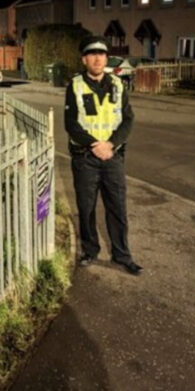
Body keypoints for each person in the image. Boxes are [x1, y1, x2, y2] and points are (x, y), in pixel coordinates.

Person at [66, 36, 142, 275]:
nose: (97, 58)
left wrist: (110, 144)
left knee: (117, 208)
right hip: (85, 158)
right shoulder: (75, 85)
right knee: (86, 207)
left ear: (106, 59)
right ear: (84, 59)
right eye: (92, 54)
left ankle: (122, 255)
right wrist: (93, 145)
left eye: (101, 54)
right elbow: (71, 123)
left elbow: (128, 120)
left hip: (112, 157)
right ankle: (90, 251)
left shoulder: (118, 85)